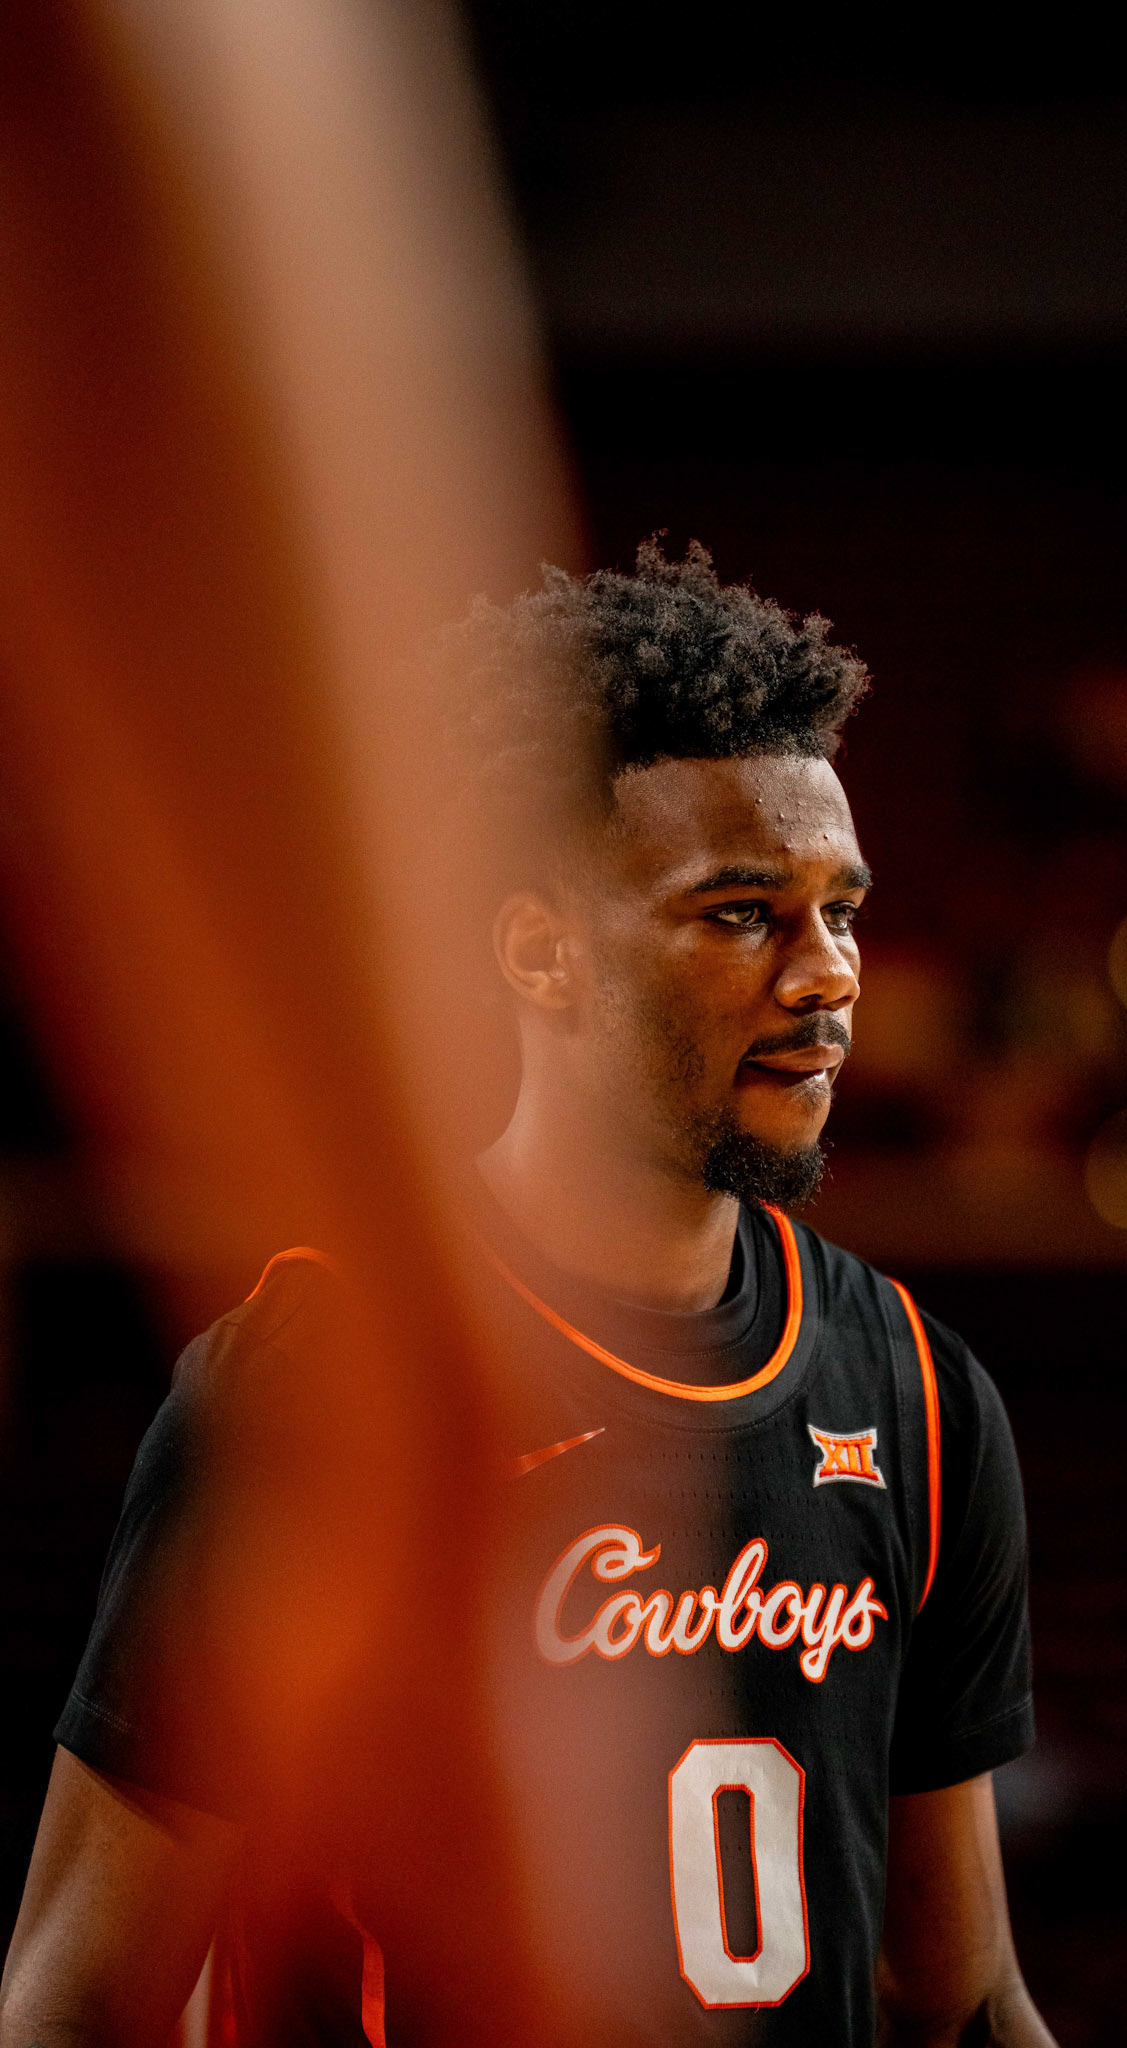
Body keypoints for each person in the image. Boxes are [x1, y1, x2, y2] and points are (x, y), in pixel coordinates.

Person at [0, 543, 1057, 2047]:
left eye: (843, 911)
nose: (826, 976)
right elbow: (79, 2006)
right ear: (539, 949)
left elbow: (956, 2000)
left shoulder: (921, 1396)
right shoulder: (316, 1385)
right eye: (743, 913)